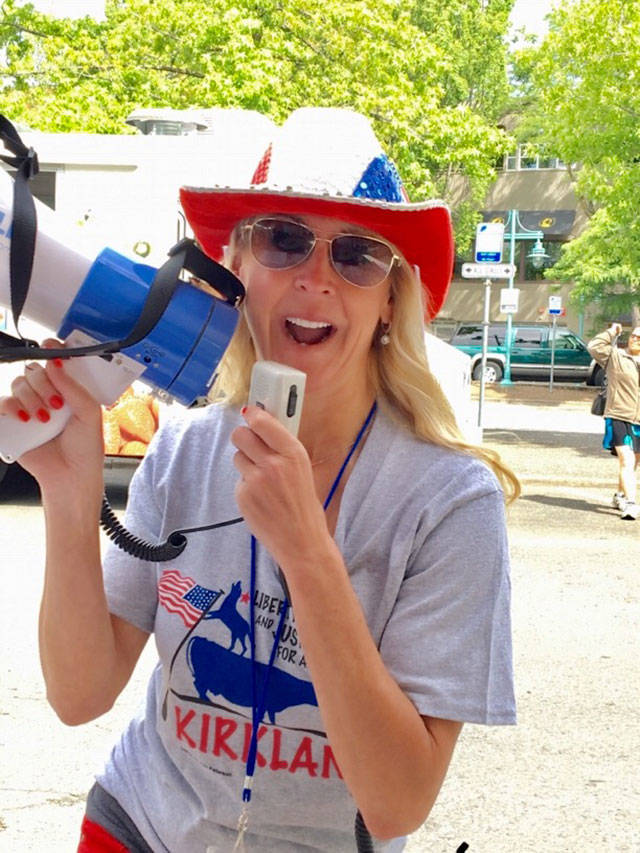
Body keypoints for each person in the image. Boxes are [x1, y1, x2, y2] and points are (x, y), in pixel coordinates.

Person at [1, 108, 519, 852]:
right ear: (238, 267)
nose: (315, 277)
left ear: (389, 301)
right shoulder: (182, 448)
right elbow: (79, 694)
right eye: (283, 239)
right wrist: (68, 485)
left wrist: (308, 551)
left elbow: (398, 802)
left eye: (357, 255)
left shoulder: (448, 503)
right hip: (139, 824)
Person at [588, 322, 640, 520]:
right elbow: (594, 346)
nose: (635, 339)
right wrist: (612, 331)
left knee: (633, 461)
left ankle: (620, 495)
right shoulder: (615, 356)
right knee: (626, 459)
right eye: (633, 336)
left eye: (639, 338)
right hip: (619, 414)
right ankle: (632, 504)